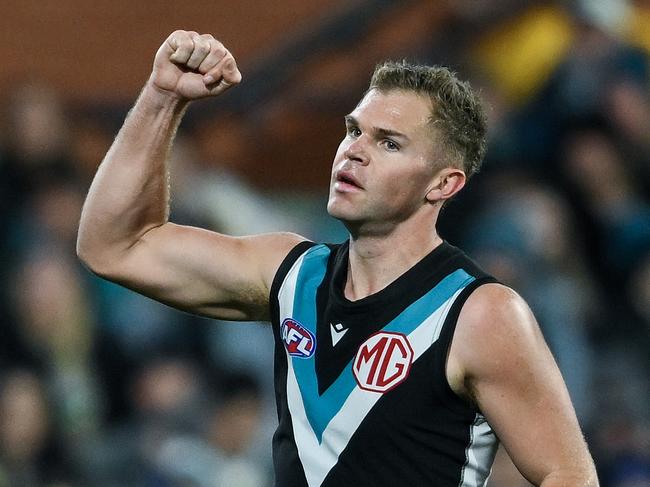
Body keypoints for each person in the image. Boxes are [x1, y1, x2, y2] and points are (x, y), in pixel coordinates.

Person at [77, 30, 599, 486]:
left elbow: (569, 473)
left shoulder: (480, 314)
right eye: (354, 131)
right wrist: (162, 98)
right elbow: (113, 245)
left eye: (389, 143)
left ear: (443, 183)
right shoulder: (290, 275)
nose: (354, 151)